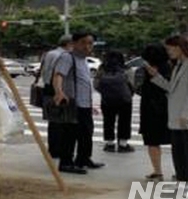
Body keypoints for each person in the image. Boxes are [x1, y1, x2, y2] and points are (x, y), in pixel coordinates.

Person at [145, 35, 188, 189]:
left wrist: (187, 115)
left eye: (170, 48)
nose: (168, 52)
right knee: (179, 154)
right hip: (177, 119)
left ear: (180, 47)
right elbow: (172, 88)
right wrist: (156, 77)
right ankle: (183, 182)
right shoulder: (179, 65)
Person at [53, 32, 105, 174]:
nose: (87, 46)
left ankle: (83, 159)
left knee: (86, 133)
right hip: (73, 103)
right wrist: (59, 92)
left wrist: (91, 104)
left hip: (85, 104)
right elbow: (58, 75)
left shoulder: (83, 60)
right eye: (83, 42)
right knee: (70, 134)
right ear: (74, 43)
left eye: (90, 43)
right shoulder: (68, 58)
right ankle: (66, 163)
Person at [137, 44, 172, 180]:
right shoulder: (170, 67)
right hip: (168, 108)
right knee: (174, 140)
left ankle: (158, 171)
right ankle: (179, 171)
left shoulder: (145, 69)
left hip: (149, 108)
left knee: (152, 141)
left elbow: (138, 87)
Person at [39, 35, 73, 160]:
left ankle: (53, 148)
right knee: (62, 120)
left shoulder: (49, 53)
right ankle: (58, 149)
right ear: (69, 44)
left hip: (47, 87)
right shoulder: (64, 56)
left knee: (52, 120)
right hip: (58, 89)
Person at [94, 50, 134, 153]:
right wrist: (129, 93)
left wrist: (105, 93)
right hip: (124, 100)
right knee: (124, 121)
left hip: (107, 100)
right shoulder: (126, 69)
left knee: (108, 121)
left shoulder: (102, 69)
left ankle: (110, 144)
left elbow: (96, 84)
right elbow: (133, 84)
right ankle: (123, 145)